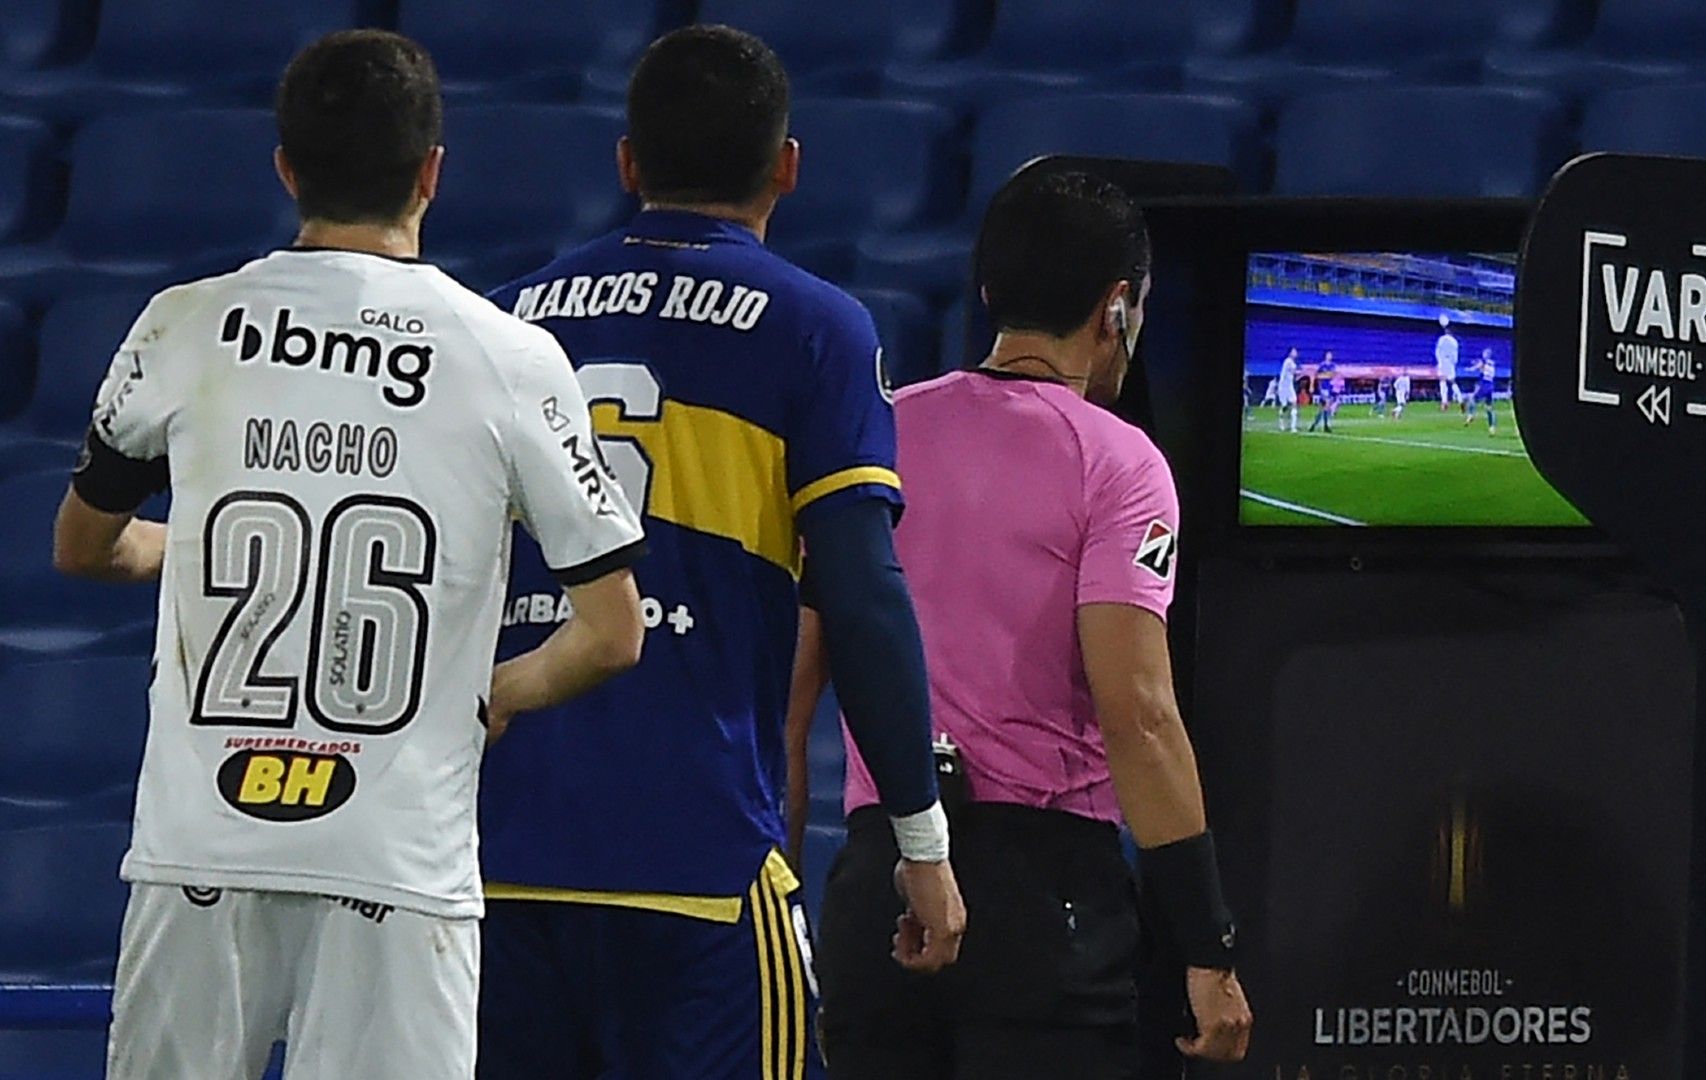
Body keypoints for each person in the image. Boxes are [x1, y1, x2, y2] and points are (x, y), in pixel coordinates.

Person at [51, 30, 649, 1079]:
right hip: (396, 856)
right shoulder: (508, 357)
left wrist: (179, 554)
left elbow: (83, 546)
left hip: (200, 848)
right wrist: (487, 692)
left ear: (285, 167)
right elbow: (612, 634)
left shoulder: (181, 324)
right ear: (432, 172)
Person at [476, 25, 964, 1080]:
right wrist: (921, 843)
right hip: (694, 856)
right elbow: (865, 598)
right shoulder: (815, 329)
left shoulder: (504, 323)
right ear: (787, 167)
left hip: (497, 861)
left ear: (627, 163)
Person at [792, 170, 1252, 1080]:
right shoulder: (1120, 464)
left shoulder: (872, 434)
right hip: (1043, 910)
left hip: (876, 886)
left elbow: (789, 692)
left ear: (991, 291)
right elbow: (1142, 718)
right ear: (1118, 307)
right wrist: (1209, 944)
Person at [1464, 347, 1500, 434]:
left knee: (1472, 399)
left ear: (1486, 355)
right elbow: (1483, 368)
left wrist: (1469, 369)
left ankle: (1471, 415)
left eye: (1484, 353)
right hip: (1491, 385)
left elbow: (1477, 367)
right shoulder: (1492, 363)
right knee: (1489, 408)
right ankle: (1492, 428)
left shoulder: (1483, 362)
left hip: (1484, 384)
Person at [1307, 350, 1338, 433]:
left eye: (1331, 354)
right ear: (1325, 356)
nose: (1330, 356)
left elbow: (1334, 375)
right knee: (1327, 405)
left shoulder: (1333, 366)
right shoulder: (1322, 365)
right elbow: (1315, 375)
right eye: (1328, 354)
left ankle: (1314, 425)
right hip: (1323, 388)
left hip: (1329, 388)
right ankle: (1325, 426)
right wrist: (1312, 385)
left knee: (1322, 409)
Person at [1434, 314, 1460, 411]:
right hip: (1450, 363)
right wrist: (1454, 363)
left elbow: (1437, 351)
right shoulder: (1454, 341)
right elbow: (1455, 354)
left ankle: (1444, 402)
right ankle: (1460, 399)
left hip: (1443, 362)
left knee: (1442, 381)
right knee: (1452, 381)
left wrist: (1439, 362)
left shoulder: (1441, 339)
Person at [1276, 346, 1300, 432]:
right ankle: (1281, 423)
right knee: (1285, 406)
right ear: (1290, 353)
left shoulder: (1293, 363)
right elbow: (1293, 371)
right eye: (1294, 351)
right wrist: (1304, 372)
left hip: (1289, 386)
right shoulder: (1288, 361)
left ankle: (1293, 427)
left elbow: (1294, 376)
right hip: (1283, 386)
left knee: (1294, 403)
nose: (1296, 353)